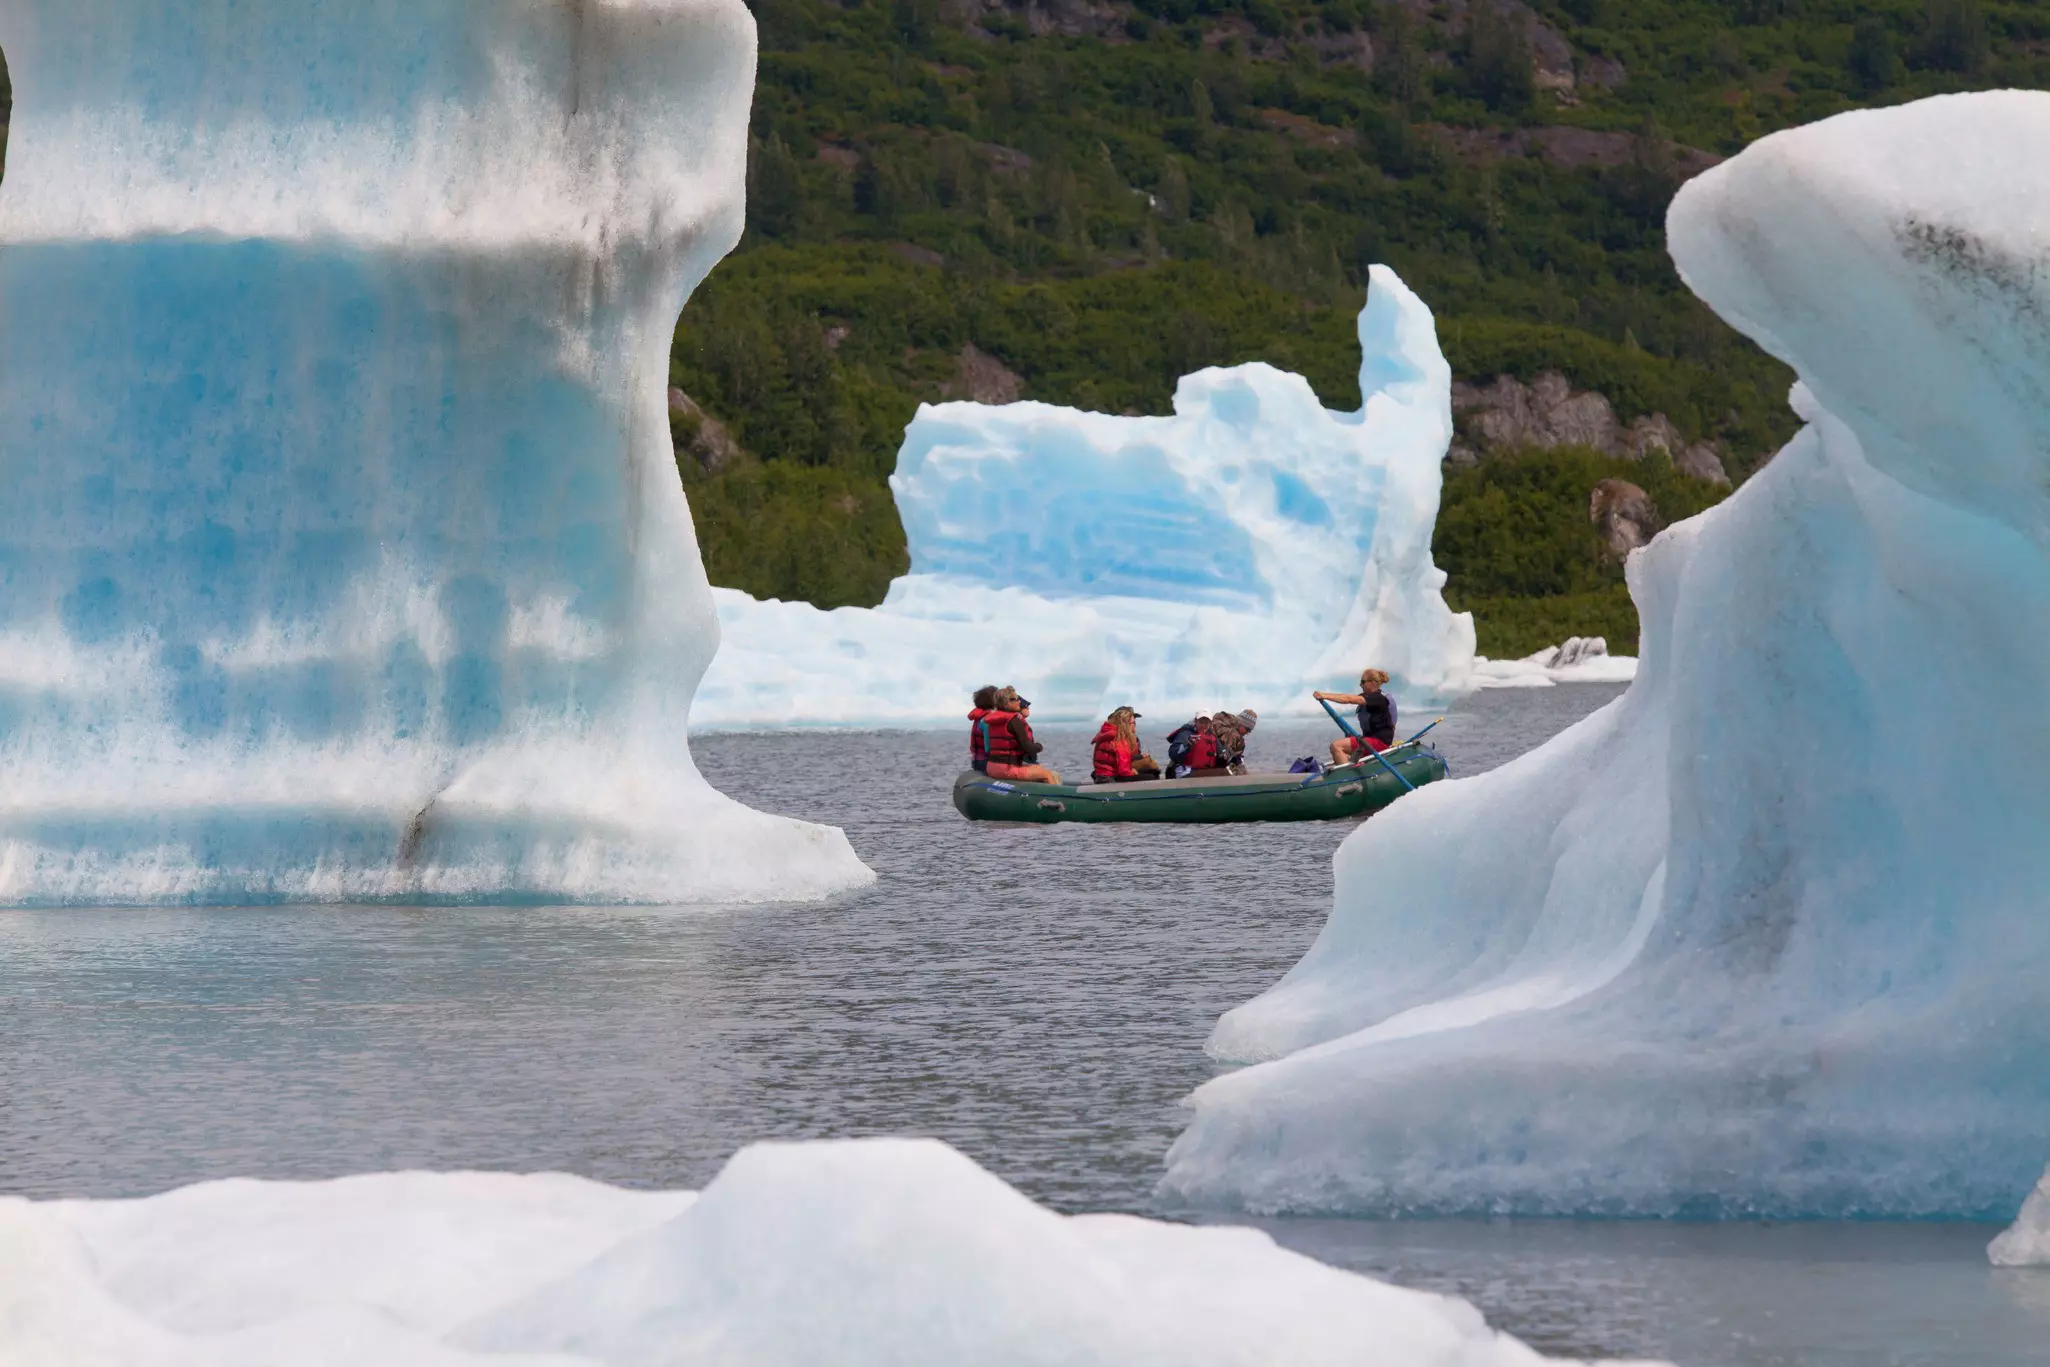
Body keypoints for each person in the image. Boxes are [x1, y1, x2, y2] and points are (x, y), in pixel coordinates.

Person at [1314, 669, 1396, 767]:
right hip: (1369, 741)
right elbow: (1348, 697)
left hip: (1379, 743)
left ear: (1373, 683)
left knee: (1336, 746)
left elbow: (1349, 699)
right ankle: (1351, 770)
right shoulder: (1367, 697)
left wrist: (1324, 695)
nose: (1360, 685)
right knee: (1345, 753)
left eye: (1363, 682)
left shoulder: (1378, 698)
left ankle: (1347, 778)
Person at [982, 686, 1061, 784]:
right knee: (1046, 774)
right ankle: (1058, 798)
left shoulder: (993, 721)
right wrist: (1039, 747)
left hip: (992, 767)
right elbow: (1027, 746)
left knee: (1037, 768)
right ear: (1007, 702)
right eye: (1016, 699)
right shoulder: (1014, 720)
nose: (1019, 701)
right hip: (1007, 769)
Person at [1090, 706, 1158, 783]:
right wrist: (1132, 772)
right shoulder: (1119, 739)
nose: (1135, 725)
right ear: (1126, 724)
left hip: (1102, 775)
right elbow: (1123, 770)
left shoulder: (1108, 734)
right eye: (1133, 722)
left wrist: (1140, 757)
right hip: (1110, 778)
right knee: (1152, 776)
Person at [1209, 708, 1258, 773]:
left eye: (1249, 731)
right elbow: (1226, 759)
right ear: (1241, 723)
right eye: (1247, 729)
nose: (1247, 733)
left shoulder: (1223, 720)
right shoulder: (1233, 735)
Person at [967, 684, 999, 772]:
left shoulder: (980, 716)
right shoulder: (987, 719)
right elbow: (988, 748)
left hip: (976, 761)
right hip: (985, 762)